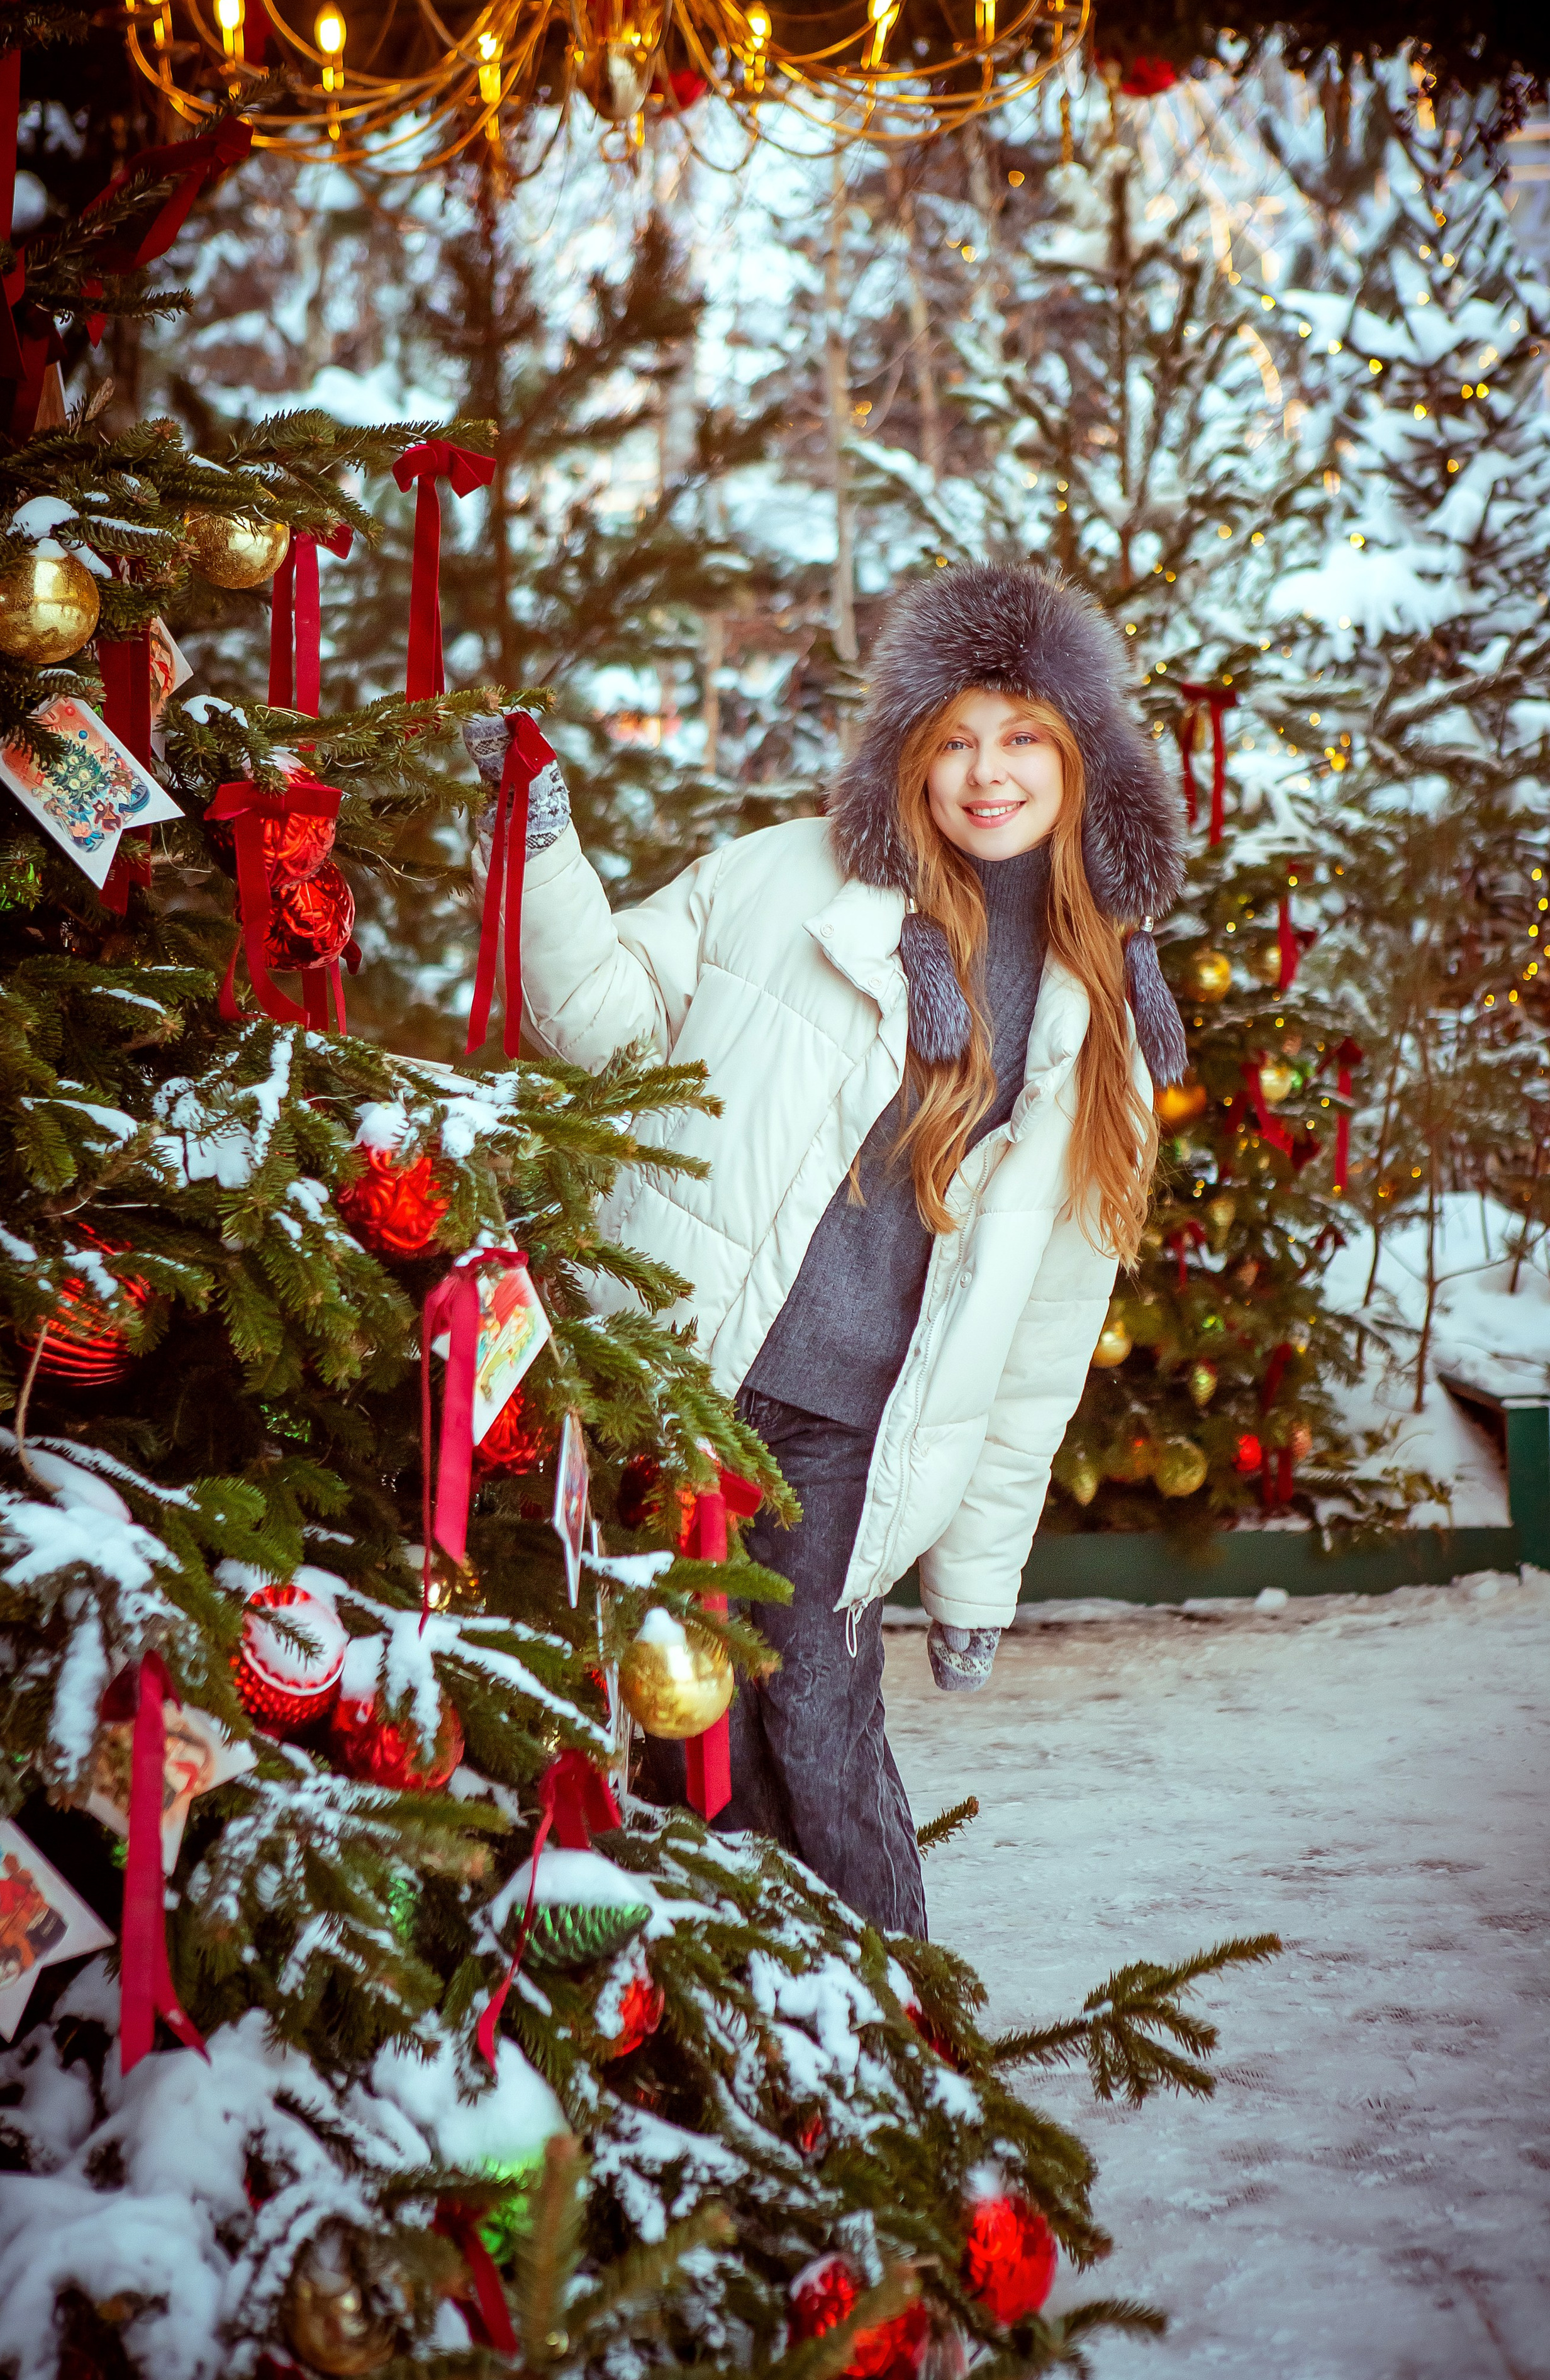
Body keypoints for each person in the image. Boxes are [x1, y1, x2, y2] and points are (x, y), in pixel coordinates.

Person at [466, 565, 1187, 1938]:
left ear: (1079, 755)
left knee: (814, 1732)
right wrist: (536, 839)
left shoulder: (1099, 1011)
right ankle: (719, 2044)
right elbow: (601, 1020)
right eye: (956, 738)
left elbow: (1032, 1348)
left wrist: (977, 1577)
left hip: (851, 1440)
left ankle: (889, 2049)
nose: (986, 774)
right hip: (677, 1378)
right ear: (909, 748)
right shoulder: (789, 877)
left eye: (1021, 737)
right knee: (674, 1721)